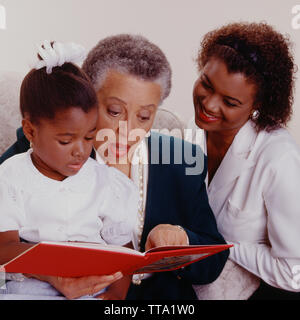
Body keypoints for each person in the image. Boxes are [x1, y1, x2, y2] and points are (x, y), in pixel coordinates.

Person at [0, 34, 228, 300]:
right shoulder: (39, 146)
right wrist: (52, 275)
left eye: (144, 116)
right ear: (87, 97)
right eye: (114, 111)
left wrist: (181, 237)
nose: (126, 131)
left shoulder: (180, 158)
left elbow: (215, 258)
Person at [0, 41, 139, 300]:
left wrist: (114, 297)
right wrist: (52, 264)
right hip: (29, 287)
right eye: (65, 141)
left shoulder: (106, 183)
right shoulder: (11, 177)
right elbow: (3, 249)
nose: (81, 151)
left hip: (94, 289)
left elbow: (124, 255)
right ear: (30, 130)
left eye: (89, 137)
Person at [190, 22, 300, 299]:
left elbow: (294, 272)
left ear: (257, 105)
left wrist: (221, 246)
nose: (210, 105)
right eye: (206, 84)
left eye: (230, 102)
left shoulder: (279, 159)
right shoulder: (187, 138)